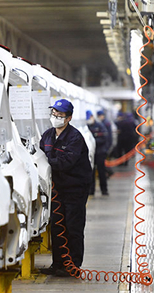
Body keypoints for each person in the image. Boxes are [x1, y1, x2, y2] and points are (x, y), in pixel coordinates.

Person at [39, 99, 93, 276]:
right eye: (54, 113)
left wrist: (46, 163)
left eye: (60, 115)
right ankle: (58, 264)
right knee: (57, 226)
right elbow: (39, 154)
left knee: (73, 226)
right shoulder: (47, 135)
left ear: (68, 118)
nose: (56, 117)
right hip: (57, 189)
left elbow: (65, 163)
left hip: (75, 188)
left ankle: (73, 266)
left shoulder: (75, 138)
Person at [86, 110, 109, 196]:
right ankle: (91, 190)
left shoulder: (100, 126)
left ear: (92, 117)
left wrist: (93, 141)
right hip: (91, 153)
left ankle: (104, 190)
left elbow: (104, 138)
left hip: (100, 152)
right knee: (91, 172)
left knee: (101, 171)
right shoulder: (87, 127)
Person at [97, 110, 116, 177]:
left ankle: (109, 171)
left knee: (103, 161)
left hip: (106, 145)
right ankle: (108, 172)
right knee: (104, 160)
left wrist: (108, 146)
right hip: (106, 145)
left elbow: (108, 136)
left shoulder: (105, 123)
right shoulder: (104, 122)